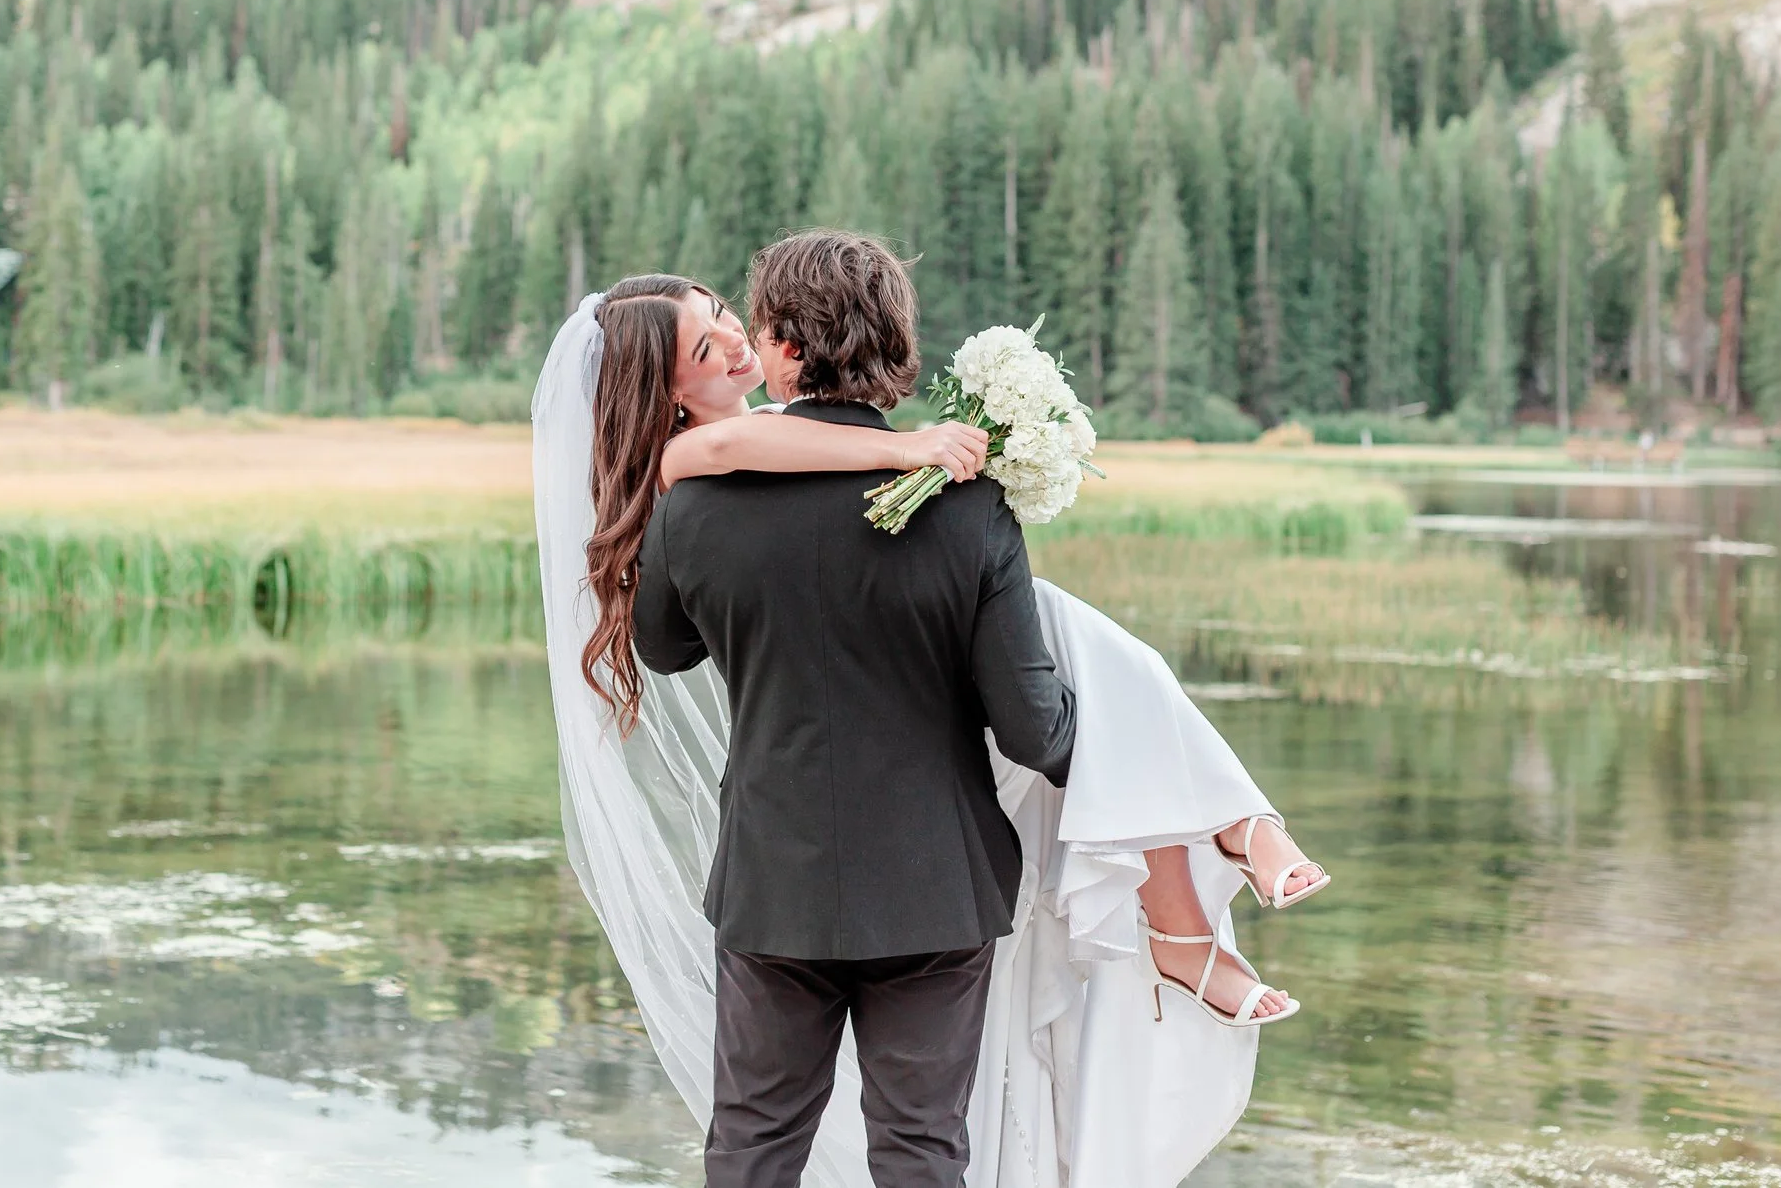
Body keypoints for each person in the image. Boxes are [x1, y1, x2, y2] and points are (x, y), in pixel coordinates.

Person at [532, 237, 1329, 1188]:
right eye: (711, 342)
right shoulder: (964, 505)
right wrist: (1099, 740)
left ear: (784, 350)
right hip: (936, 890)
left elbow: (664, 648)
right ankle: (1221, 838)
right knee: (919, 1149)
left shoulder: (693, 505)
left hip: (773, 884)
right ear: (900, 349)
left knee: (751, 1145)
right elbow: (1037, 732)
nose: (739, 343)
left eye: (740, 326)